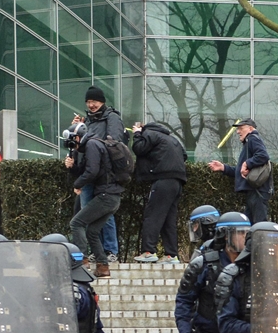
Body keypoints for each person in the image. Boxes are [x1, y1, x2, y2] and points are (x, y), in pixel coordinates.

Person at [65, 122, 124, 278]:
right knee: (92, 231)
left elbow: (92, 172)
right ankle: (103, 267)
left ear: (78, 137)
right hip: (112, 197)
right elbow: (86, 170)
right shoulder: (93, 144)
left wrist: (77, 184)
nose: (72, 143)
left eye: (73, 139)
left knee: (76, 223)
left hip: (106, 195)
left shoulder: (92, 144)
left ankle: (81, 262)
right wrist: (72, 167)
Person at [75, 86, 122, 265]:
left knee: (105, 215)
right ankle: (97, 251)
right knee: (87, 213)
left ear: (102, 101)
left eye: (94, 101)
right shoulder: (87, 121)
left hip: (104, 176)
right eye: (88, 102)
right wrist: (77, 129)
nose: (91, 105)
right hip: (89, 173)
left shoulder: (111, 117)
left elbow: (115, 142)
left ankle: (110, 251)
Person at [131, 121, 188, 263]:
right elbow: (184, 155)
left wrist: (137, 134)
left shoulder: (149, 134)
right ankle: (171, 255)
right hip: (177, 181)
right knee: (169, 219)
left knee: (153, 215)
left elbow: (138, 148)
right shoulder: (172, 139)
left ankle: (149, 251)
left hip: (163, 180)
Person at [207, 118, 271, 225]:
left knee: (259, 226)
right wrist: (223, 168)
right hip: (254, 191)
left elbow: (263, 155)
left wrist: (247, 163)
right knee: (249, 225)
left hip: (257, 192)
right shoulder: (249, 143)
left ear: (251, 129)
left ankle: (260, 242)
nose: (238, 132)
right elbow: (240, 171)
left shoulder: (253, 138)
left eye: (241, 128)